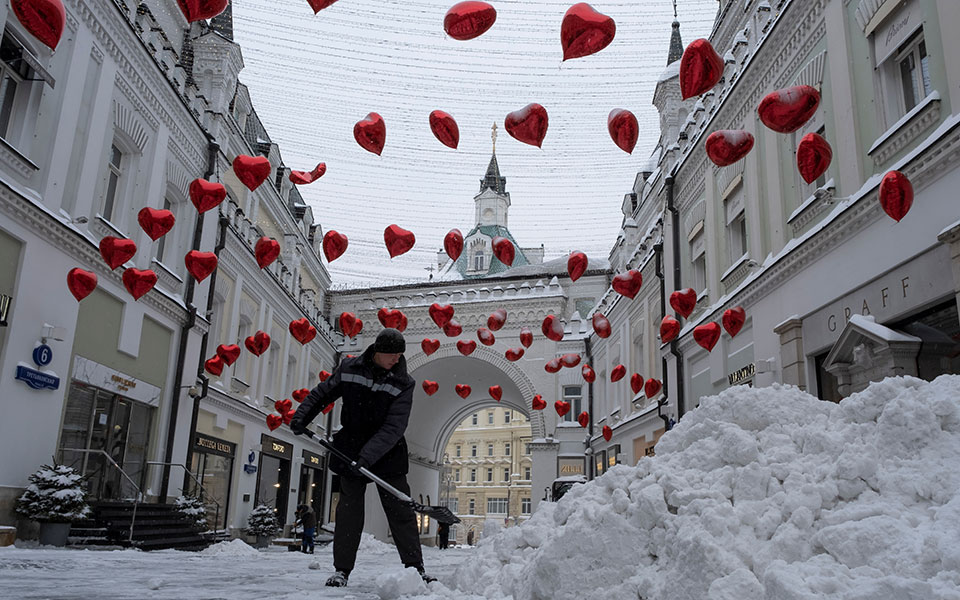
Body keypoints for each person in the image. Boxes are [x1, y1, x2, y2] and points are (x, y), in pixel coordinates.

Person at [291, 328, 435, 588]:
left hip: (387, 451)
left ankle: (415, 569)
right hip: (350, 445)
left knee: (400, 512)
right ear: (377, 351)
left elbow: (394, 427)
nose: (397, 359)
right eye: (392, 354)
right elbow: (323, 393)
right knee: (349, 512)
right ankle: (341, 571)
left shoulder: (404, 382)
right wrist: (302, 416)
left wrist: (367, 456)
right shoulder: (349, 368)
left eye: (400, 355)